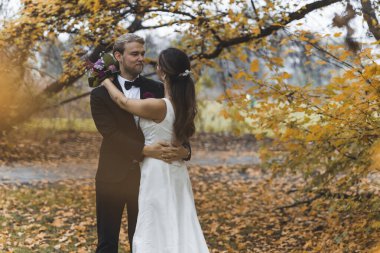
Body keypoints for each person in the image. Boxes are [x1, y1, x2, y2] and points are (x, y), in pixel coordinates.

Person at [101, 47, 209, 252]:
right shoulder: (186, 105)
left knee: (154, 225)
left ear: (164, 72)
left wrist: (105, 79)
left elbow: (122, 101)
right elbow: (181, 140)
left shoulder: (159, 105)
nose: (156, 66)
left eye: (158, 64)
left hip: (158, 171)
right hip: (177, 171)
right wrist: (184, 152)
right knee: (179, 223)